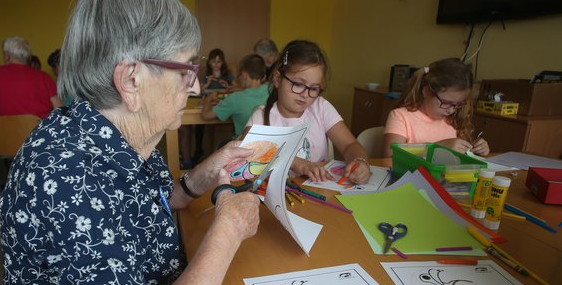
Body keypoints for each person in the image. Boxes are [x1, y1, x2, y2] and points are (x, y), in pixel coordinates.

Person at [0, 0, 260, 285]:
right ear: (132, 79)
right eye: (186, 69)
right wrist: (229, 227)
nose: (195, 86)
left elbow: (149, 205)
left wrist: (200, 178)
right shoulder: (65, 177)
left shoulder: (122, 133)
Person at [246, 40, 370, 184]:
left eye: (313, 88)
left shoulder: (320, 107)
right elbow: (247, 150)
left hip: (317, 193)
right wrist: (296, 163)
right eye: (298, 84)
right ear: (278, 79)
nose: (305, 94)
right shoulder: (261, 116)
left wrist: (360, 162)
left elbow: (350, 145)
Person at [383, 58, 490, 158]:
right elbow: (391, 154)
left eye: (458, 104)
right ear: (426, 92)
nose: (451, 110)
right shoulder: (401, 116)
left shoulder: (454, 120)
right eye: (446, 102)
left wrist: (474, 149)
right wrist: (437, 148)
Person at [0, 37, 61, 118]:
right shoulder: (43, 77)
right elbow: (59, 109)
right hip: (41, 128)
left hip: (7, 130)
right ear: (28, 57)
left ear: (7, 55)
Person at [200, 53, 268, 138]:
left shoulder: (235, 98)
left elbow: (205, 115)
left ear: (244, 74)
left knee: (220, 146)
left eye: (240, 75)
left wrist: (208, 98)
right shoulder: (271, 90)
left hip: (242, 145)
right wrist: (240, 89)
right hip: (267, 145)